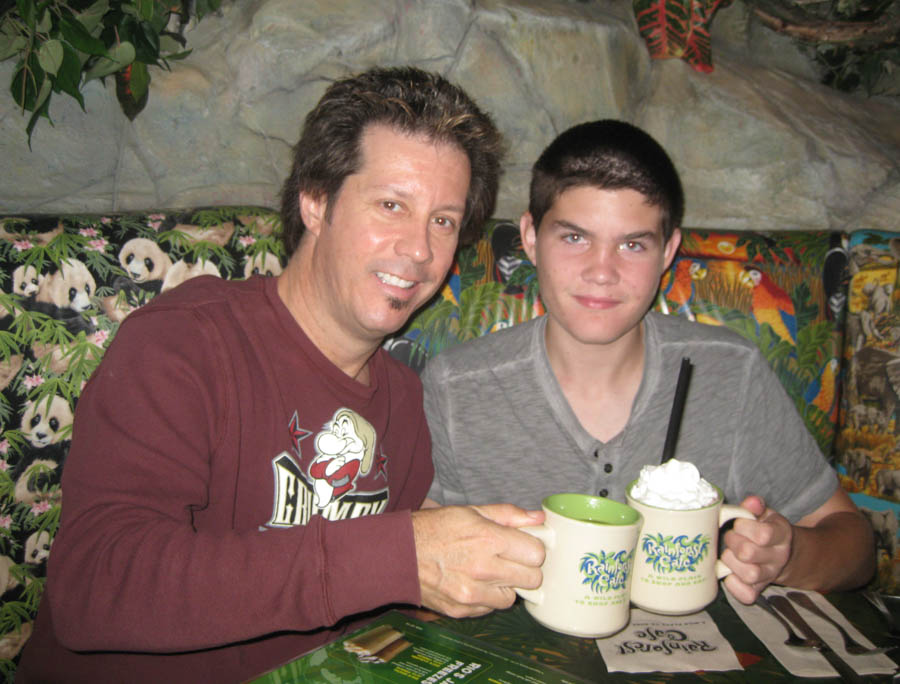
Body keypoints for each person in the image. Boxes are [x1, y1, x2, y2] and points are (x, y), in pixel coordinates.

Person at [16, 67, 545, 684]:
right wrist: (402, 555)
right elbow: (97, 587)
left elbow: (377, 608)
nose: (420, 249)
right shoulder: (184, 343)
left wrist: (460, 562)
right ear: (316, 201)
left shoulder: (404, 401)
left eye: (443, 221)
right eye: (391, 205)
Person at [422, 119, 875, 604]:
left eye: (632, 244)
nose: (602, 271)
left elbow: (856, 547)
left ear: (668, 252)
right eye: (574, 238)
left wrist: (788, 554)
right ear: (530, 237)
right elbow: (419, 554)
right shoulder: (455, 387)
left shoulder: (729, 372)